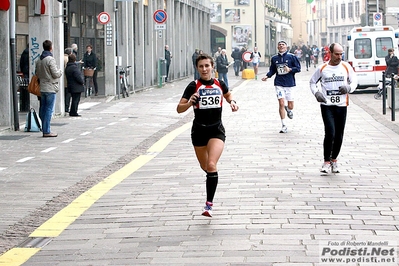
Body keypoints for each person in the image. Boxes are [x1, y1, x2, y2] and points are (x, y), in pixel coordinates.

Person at [176, 53, 239, 217]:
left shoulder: (220, 83)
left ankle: (208, 205)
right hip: (199, 131)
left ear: (212, 67)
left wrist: (232, 102)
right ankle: (211, 179)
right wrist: (190, 102)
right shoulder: (193, 85)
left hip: (216, 130)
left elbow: (227, 94)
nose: (204, 69)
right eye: (201, 66)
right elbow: (179, 108)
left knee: (211, 165)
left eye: (207, 66)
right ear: (197, 69)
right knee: (206, 167)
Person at [309, 43, 358, 174]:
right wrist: (317, 93)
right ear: (330, 53)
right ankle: (326, 161)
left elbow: (354, 81)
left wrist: (349, 88)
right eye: (336, 54)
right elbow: (312, 82)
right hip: (327, 105)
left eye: (341, 54)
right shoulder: (322, 68)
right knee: (330, 132)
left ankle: (334, 160)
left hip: (341, 105)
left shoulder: (346, 67)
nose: (339, 56)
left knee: (339, 134)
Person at [261, 40, 301, 133]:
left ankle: (289, 109)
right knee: (281, 103)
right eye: (279, 45)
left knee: (290, 105)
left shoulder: (292, 57)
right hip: (279, 83)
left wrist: (290, 69)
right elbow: (272, 70)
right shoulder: (274, 58)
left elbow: (298, 68)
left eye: (283, 45)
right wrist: (267, 76)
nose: (281, 46)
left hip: (289, 83)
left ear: (286, 47)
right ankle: (283, 125)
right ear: (277, 47)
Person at [35, 40, 63, 137]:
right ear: (51, 47)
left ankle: (44, 127)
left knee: (43, 108)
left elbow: (37, 73)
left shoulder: (39, 59)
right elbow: (55, 74)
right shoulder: (50, 59)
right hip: (50, 87)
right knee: (48, 109)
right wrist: (60, 71)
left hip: (42, 87)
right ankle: (46, 130)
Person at [64, 48, 72, 113]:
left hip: (62, 80)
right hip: (67, 80)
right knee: (68, 94)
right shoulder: (67, 59)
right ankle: (66, 107)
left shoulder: (62, 58)